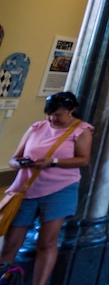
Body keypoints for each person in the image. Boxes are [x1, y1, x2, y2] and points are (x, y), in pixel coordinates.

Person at [1, 92, 94, 285]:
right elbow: (14, 158)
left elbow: (83, 159)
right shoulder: (36, 128)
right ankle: (4, 276)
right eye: (49, 114)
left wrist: (53, 162)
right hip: (25, 189)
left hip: (59, 189)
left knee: (47, 242)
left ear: (72, 111)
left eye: (58, 115)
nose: (52, 119)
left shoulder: (81, 130)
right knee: (11, 242)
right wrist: (20, 163)